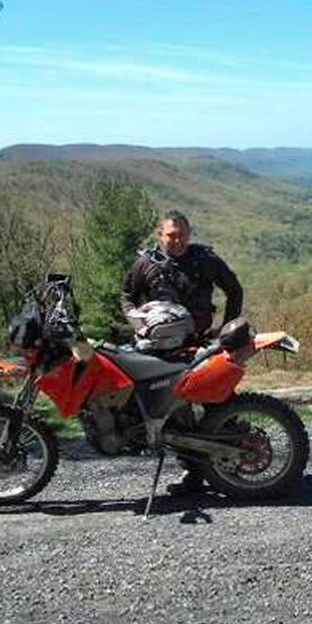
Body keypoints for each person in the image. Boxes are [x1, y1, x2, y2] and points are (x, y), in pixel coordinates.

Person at [120, 210, 244, 495]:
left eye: (181, 235)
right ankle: (193, 473)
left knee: (220, 398)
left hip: (201, 342)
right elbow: (127, 295)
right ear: (160, 235)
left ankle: (234, 460)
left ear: (189, 234)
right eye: (171, 235)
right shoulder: (146, 262)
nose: (176, 240)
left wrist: (226, 328)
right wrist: (136, 321)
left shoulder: (205, 259)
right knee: (175, 410)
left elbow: (234, 289)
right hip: (162, 347)